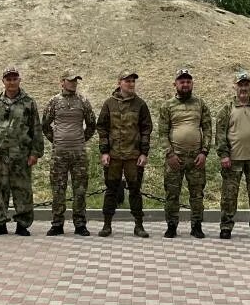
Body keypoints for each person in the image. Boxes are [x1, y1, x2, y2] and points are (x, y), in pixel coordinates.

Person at [0, 66, 43, 235]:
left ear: (19, 80)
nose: (11, 82)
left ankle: (22, 224)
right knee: (0, 190)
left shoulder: (28, 102)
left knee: (22, 190)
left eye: (14, 78)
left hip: (21, 155)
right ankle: (0, 222)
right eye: (8, 79)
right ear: (3, 81)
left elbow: (35, 129)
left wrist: (34, 153)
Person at [215, 70, 250, 240]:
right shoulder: (227, 109)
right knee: (229, 195)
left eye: (246, 84)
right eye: (240, 84)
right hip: (233, 160)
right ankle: (226, 226)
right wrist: (224, 155)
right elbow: (220, 135)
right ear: (235, 86)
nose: (243, 88)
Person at [96, 70, 153, 237]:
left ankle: (139, 225)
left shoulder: (140, 104)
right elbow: (102, 128)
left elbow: (146, 129)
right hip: (113, 156)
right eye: (127, 81)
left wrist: (144, 153)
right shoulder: (109, 104)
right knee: (111, 190)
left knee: (135, 190)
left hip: (133, 156)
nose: (131, 84)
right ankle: (107, 225)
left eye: (133, 81)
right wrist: (104, 151)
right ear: (119, 83)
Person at [157, 67, 212, 238]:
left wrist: (204, 152)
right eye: (182, 81)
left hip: (196, 157)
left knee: (197, 195)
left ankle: (196, 226)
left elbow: (208, 129)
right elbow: (162, 133)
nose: (185, 84)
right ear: (175, 84)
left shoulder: (201, 104)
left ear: (192, 83)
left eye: (188, 81)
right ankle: (171, 225)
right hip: (175, 158)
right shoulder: (167, 106)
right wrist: (170, 154)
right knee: (172, 194)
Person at [42, 71, 97, 236]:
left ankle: (80, 224)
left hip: (78, 154)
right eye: (70, 81)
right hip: (59, 154)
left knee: (79, 190)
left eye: (75, 81)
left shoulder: (83, 101)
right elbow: (45, 124)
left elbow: (91, 124)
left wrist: (81, 140)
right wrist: (57, 141)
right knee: (58, 189)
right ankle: (57, 223)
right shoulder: (54, 101)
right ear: (62, 82)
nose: (74, 83)